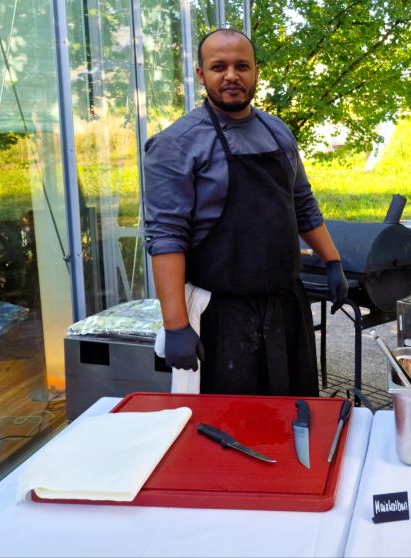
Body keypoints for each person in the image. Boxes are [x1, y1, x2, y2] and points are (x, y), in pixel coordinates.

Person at [143, 28, 348, 396]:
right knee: (229, 429)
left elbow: (302, 204)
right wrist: (175, 326)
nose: (231, 75)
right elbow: (166, 237)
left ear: (256, 71)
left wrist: (332, 262)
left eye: (242, 66)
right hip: (221, 315)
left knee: (293, 414)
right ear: (201, 74)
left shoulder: (279, 132)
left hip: (286, 305)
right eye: (218, 66)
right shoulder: (176, 145)